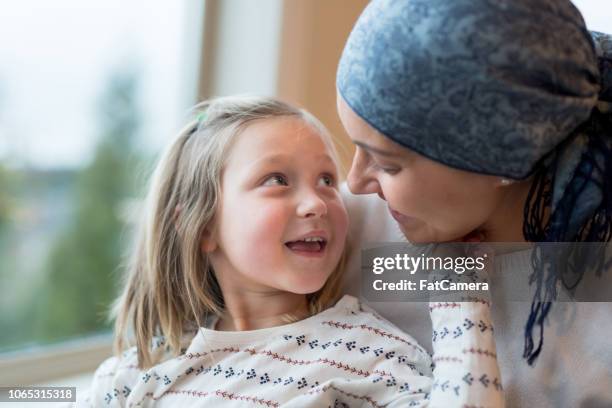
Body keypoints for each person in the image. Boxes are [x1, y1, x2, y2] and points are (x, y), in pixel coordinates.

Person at [80, 96, 504, 407]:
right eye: (277, 179)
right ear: (203, 226)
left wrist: (459, 291)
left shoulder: (370, 352)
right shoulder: (137, 373)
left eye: (325, 180)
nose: (318, 202)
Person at [336, 0, 612, 406]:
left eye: (388, 164)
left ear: (505, 160)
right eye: (357, 148)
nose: (354, 182)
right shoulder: (337, 229)